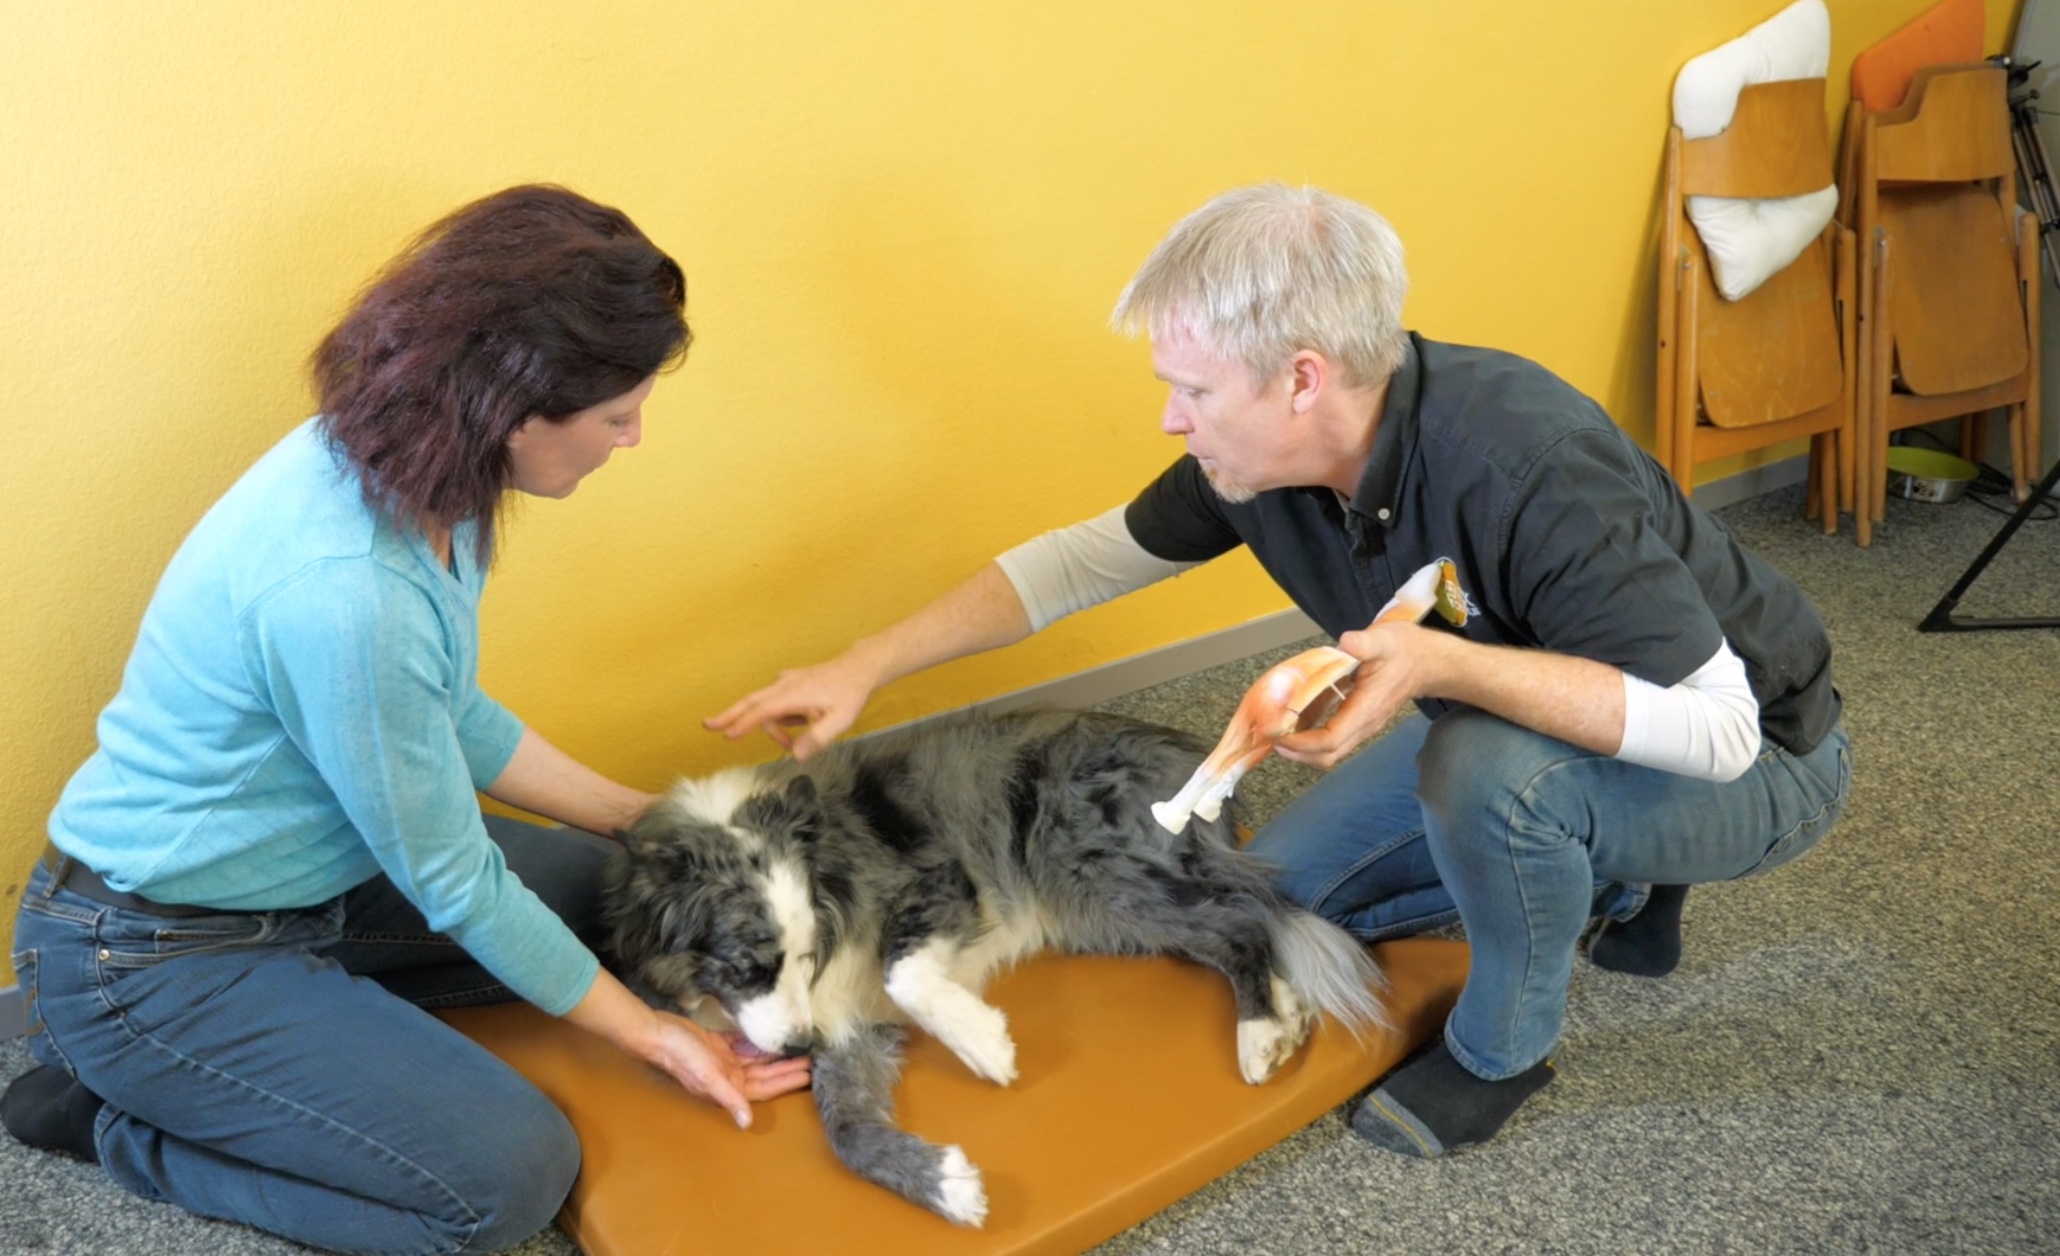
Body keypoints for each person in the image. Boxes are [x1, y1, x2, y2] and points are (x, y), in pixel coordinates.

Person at [707, 182, 1850, 1160]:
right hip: (1519, 709)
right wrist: (866, 663)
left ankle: (1504, 1048)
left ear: (1301, 379)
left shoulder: (1524, 462)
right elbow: (1072, 564)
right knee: (1282, 897)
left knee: (1484, 775)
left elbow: (1718, 731)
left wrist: (1444, 664)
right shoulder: (1253, 466)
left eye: (1192, 390)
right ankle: (1608, 874)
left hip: (1757, 756)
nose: (1169, 417)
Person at [3, 186, 811, 1253]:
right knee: (506, 1179)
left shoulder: (433, 478)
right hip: (154, 955)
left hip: (322, 876)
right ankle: (113, 1119)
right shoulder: (347, 587)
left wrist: (639, 818)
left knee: (630, 895)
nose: (633, 438)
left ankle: (311, 1027)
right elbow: (452, 878)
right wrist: (659, 1037)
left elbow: (444, 710)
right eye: (618, 414)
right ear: (517, 409)